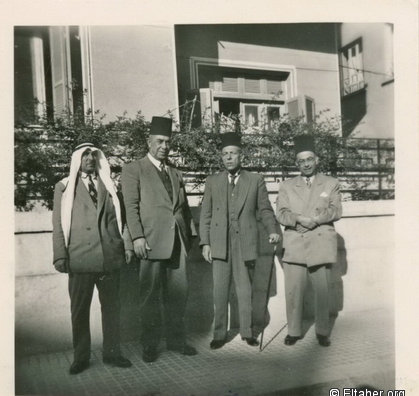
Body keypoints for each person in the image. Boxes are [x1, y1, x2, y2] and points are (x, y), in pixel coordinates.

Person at [121, 116, 197, 363]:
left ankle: (177, 341)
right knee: (150, 296)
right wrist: (138, 237)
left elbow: (183, 208)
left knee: (178, 295)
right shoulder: (134, 169)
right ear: (149, 141)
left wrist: (191, 236)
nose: (164, 146)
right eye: (160, 141)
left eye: (168, 142)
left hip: (177, 243)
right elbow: (130, 208)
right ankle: (150, 345)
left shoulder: (175, 172)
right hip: (150, 242)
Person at [52, 142, 132, 375]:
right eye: (85, 155)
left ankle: (113, 354)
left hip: (109, 257)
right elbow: (58, 223)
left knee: (112, 309)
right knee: (79, 311)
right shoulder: (65, 187)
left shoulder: (109, 185)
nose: (89, 158)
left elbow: (121, 220)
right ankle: (81, 357)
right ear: (77, 159)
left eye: (93, 155)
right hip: (80, 258)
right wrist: (60, 255)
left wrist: (125, 246)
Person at [199, 132, 280, 349]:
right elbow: (205, 213)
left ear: (240, 156)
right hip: (219, 244)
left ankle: (247, 332)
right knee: (219, 291)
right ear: (221, 157)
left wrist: (273, 229)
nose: (228, 158)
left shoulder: (255, 180)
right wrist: (205, 242)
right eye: (225, 154)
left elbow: (264, 209)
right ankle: (219, 335)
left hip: (245, 244)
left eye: (232, 153)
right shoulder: (212, 181)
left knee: (245, 291)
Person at [276, 135, 342, 347]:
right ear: (296, 164)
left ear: (317, 160)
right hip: (295, 243)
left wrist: (316, 220)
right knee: (294, 292)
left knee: (322, 292)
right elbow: (281, 213)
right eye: (301, 161)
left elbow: (336, 210)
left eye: (310, 159)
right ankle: (294, 331)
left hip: (321, 243)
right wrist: (298, 219)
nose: (306, 164)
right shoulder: (286, 185)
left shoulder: (331, 183)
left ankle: (322, 331)